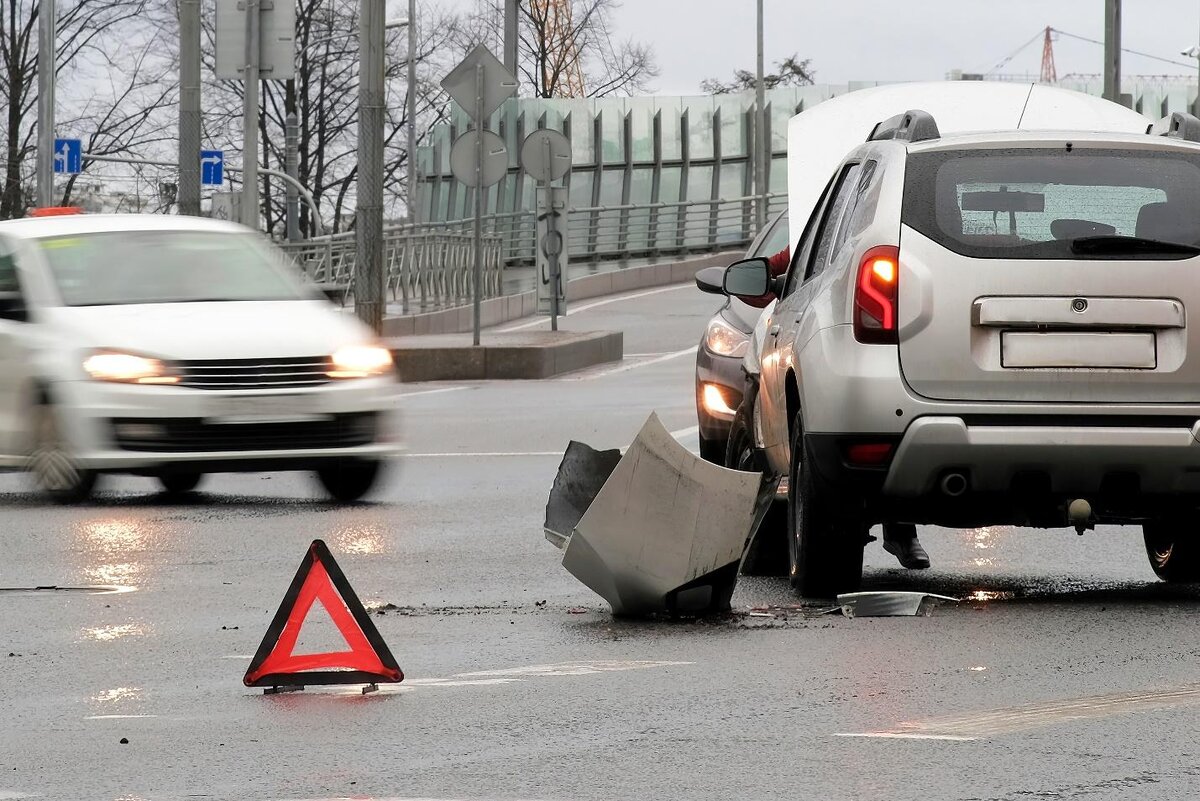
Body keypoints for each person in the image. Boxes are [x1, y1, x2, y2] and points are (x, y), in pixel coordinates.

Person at [751, 246, 932, 571]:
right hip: (830, 329)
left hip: (855, 336)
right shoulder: (824, 223)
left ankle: (896, 528)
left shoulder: (863, 224)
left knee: (887, 433)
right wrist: (767, 278)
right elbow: (772, 272)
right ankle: (898, 529)